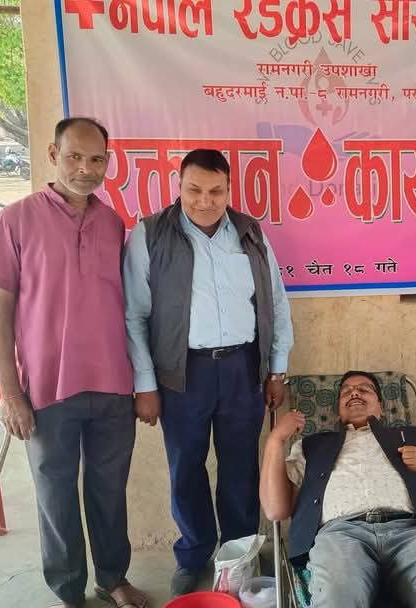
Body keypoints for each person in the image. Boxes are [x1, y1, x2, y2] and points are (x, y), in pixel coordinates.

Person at [0, 117, 146, 608]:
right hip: (46, 389)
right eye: (75, 156)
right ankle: (68, 591)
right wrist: (10, 393)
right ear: (54, 155)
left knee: (109, 490)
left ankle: (113, 578)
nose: (85, 169)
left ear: (107, 163)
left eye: (96, 159)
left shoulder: (113, 224)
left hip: (113, 384)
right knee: (55, 495)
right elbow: (0, 314)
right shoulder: (15, 220)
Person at [123, 148, 294, 596]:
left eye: (216, 191)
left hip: (242, 368)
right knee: (186, 468)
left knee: (241, 467)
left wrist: (277, 370)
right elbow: (134, 315)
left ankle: (239, 554)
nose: (205, 201)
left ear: (229, 189)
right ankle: (194, 553)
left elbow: (275, 302)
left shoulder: (250, 232)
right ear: (179, 187)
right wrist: (145, 384)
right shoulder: (149, 235)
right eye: (194, 190)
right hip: (182, 374)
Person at [260, 371, 416, 608]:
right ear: (338, 410)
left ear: (381, 407)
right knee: (337, 599)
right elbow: (275, 510)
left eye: (364, 389)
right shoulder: (311, 446)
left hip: (412, 533)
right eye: (346, 391)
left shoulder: (412, 437)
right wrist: (275, 440)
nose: (354, 392)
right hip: (340, 537)